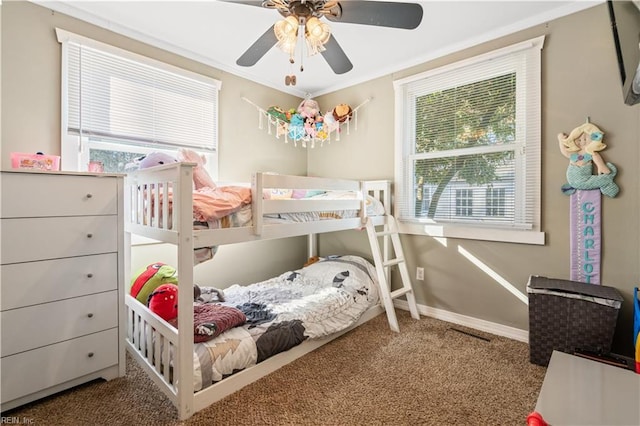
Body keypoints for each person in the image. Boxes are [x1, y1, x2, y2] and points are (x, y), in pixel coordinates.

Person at [557, 122, 619, 197]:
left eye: (585, 139)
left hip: (585, 178)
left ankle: (607, 182)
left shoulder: (590, 153)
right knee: (591, 182)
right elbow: (564, 151)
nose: (582, 141)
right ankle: (607, 180)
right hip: (573, 179)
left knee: (590, 182)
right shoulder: (573, 153)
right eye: (579, 140)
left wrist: (601, 166)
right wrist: (560, 140)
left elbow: (597, 159)